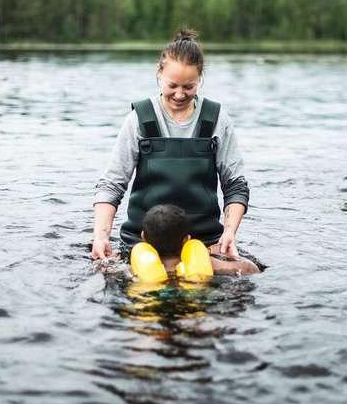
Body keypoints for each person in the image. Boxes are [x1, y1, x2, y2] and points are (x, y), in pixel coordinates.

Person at [91, 28, 249, 261]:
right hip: (143, 242)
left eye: (189, 87)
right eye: (172, 85)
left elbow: (235, 184)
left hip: (203, 243)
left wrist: (229, 234)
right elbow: (112, 184)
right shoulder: (139, 119)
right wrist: (101, 235)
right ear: (159, 75)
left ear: (200, 80)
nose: (179, 94)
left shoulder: (217, 119)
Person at [139, 204, 259, 276]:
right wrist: (222, 254)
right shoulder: (212, 265)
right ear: (187, 239)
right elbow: (251, 269)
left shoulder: (133, 270)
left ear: (144, 238)